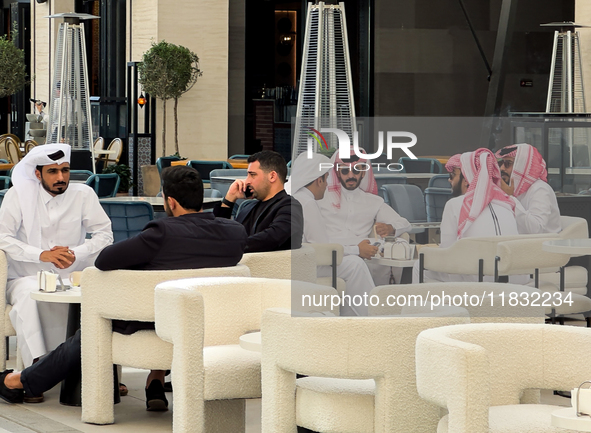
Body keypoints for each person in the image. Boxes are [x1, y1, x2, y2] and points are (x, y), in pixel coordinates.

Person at [0, 165, 248, 410]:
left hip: (153, 320)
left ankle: (20, 380)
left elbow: (105, 259)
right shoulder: (235, 234)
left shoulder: (161, 234)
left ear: (170, 202)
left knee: (91, 331)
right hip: (209, 322)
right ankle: (156, 379)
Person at [0, 144, 113, 375]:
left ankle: (99, 372)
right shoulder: (17, 196)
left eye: (65, 170)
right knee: (31, 296)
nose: (61, 177)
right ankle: (36, 371)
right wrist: (41, 254)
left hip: (72, 276)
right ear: (37, 173)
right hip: (25, 276)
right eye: (53, 171)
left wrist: (77, 253)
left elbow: (105, 234)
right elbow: (3, 238)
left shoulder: (83, 194)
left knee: (99, 295)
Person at [413, 149, 523, 283]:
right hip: (514, 278)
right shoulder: (508, 202)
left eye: (453, 175)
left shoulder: (454, 205)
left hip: (476, 278)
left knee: (419, 265)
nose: (449, 179)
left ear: (466, 179)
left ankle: (440, 304)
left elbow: (447, 252)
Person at [287, 152, 376, 316]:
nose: (328, 185)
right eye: (326, 179)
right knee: (355, 265)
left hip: (296, 261)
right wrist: (357, 250)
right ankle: (373, 317)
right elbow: (325, 251)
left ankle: (354, 318)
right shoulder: (307, 203)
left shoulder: (295, 198)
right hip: (305, 266)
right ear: (318, 180)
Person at [318, 148, 412, 286]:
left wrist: (390, 228)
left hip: (366, 254)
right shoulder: (321, 198)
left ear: (363, 172)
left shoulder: (373, 201)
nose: (351, 175)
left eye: (356, 170)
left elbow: (405, 223)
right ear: (337, 171)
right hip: (333, 253)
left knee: (397, 245)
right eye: (345, 171)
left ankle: (382, 298)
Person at [214, 150, 303, 252]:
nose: (247, 181)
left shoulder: (290, 207)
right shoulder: (248, 207)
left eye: (252, 175)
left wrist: (229, 245)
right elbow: (218, 233)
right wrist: (229, 199)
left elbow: (271, 238)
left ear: (272, 176)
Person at [495, 143, 561, 234]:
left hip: (541, 245)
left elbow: (536, 229)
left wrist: (510, 198)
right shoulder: (512, 189)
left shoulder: (540, 189)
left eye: (507, 163)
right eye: (501, 163)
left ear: (521, 165)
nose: (502, 168)